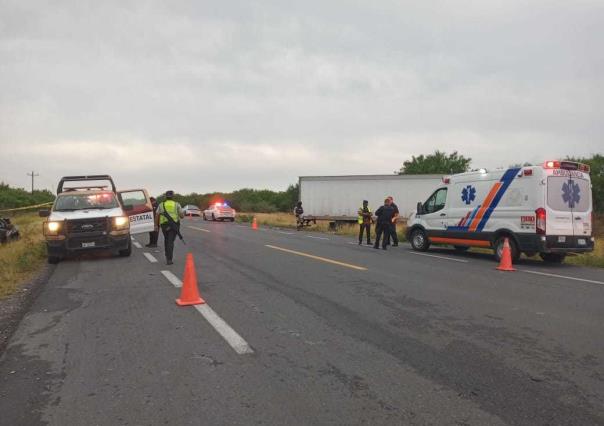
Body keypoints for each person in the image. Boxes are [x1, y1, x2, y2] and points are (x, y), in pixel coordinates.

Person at [157, 190, 185, 265]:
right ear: (173, 196)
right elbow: (182, 216)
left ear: (166, 196)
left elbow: (157, 215)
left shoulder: (161, 205)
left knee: (166, 240)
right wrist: (182, 214)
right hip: (174, 225)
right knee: (170, 241)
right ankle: (169, 259)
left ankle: (167, 255)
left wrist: (156, 225)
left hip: (164, 225)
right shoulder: (177, 204)